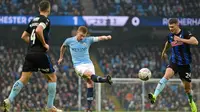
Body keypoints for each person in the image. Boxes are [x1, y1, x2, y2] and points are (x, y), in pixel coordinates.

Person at [3, 1, 62, 112]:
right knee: (52, 78)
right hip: (40, 54)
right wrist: (44, 44)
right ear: (48, 9)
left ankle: (9, 100)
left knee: (23, 78)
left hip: (30, 53)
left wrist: (32, 43)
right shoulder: (45, 20)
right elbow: (39, 30)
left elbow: (23, 36)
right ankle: (49, 107)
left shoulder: (33, 20)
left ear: (39, 9)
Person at [58, 26, 113, 112]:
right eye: (81, 35)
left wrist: (107, 37)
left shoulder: (88, 40)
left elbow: (99, 38)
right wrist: (61, 57)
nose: (82, 38)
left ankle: (88, 109)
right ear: (77, 32)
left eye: (84, 36)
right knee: (89, 75)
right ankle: (104, 79)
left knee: (90, 83)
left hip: (89, 63)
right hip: (78, 65)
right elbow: (63, 47)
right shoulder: (69, 40)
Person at [148, 18, 198, 112]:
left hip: (184, 65)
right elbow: (168, 43)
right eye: (169, 27)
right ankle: (154, 96)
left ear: (177, 25)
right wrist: (163, 52)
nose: (170, 29)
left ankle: (191, 102)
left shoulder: (185, 33)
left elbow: (195, 41)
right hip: (174, 62)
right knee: (166, 76)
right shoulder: (170, 36)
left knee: (187, 89)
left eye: (172, 27)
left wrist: (181, 39)